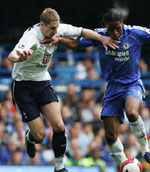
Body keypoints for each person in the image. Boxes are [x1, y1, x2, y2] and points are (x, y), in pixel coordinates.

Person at [7, 7, 119, 172]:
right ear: (42, 24)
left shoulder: (58, 29)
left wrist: (101, 38)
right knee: (40, 137)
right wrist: (20, 57)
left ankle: (59, 167)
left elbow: (82, 32)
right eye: (52, 28)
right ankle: (30, 137)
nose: (55, 31)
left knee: (59, 126)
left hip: (42, 82)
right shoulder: (31, 36)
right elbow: (12, 55)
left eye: (57, 28)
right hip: (23, 86)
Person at [50, 8, 150, 166]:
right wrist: (60, 40)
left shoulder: (135, 33)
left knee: (131, 112)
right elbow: (76, 44)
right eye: (112, 29)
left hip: (132, 84)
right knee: (110, 136)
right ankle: (125, 164)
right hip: (112, 87)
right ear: (106, 26)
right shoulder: (99, 35)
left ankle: (145, 149)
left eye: (118, 28)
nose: (116, 32)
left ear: (122, 23)